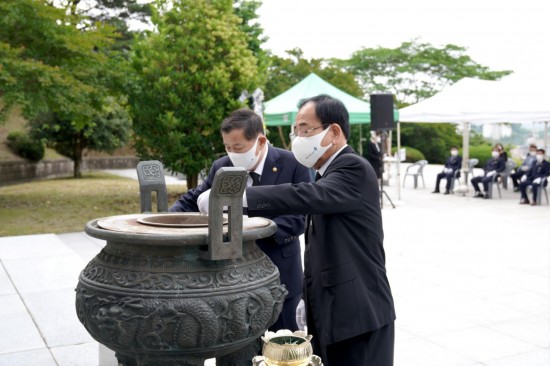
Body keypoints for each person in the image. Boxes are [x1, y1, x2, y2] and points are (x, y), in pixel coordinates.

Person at [243, 95, 396, 366]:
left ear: (333, 132)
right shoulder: (328, 173)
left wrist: (243, 197)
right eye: (296, 131)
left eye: (305, 129)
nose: (298, 138)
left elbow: (305, 195)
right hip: (335, 313)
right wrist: (308, 297)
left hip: (359, 315)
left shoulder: (353, 168)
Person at [169, 108, 311, 332]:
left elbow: (298, 219)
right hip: (233, 277)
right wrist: (163, 221)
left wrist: (250, 226)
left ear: (260, 141)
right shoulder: (222, 166)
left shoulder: (292, 163)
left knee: (282, 346)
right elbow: (193, 199)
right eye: (227, 147)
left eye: (239, 147)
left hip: (279, 272)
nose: (233, 153)